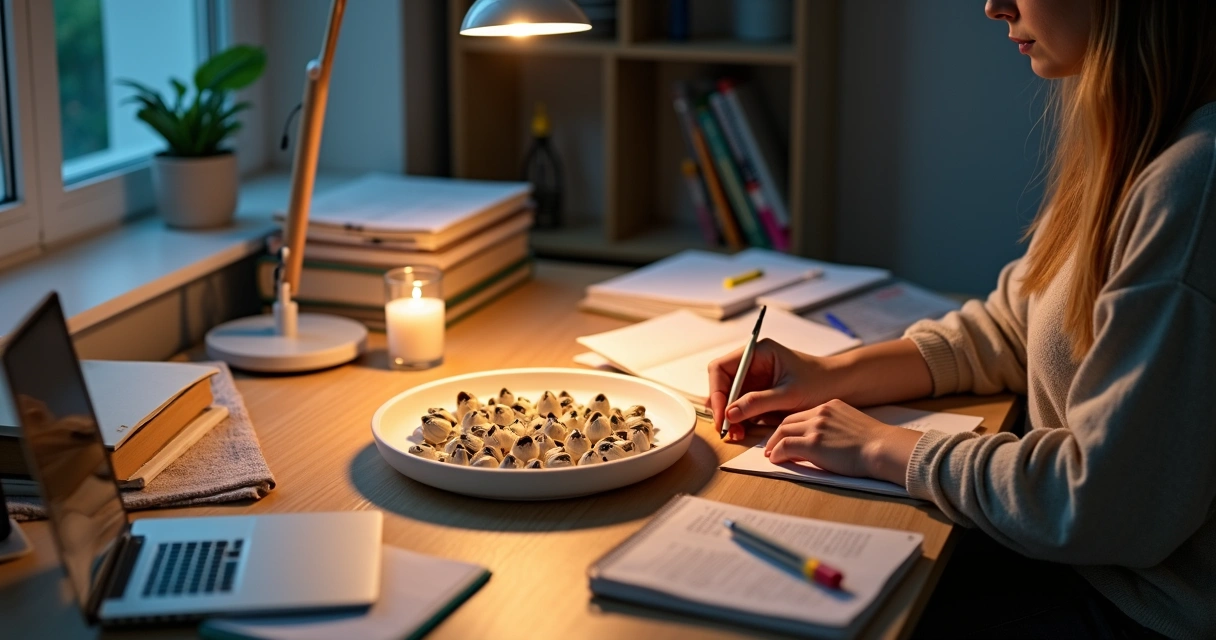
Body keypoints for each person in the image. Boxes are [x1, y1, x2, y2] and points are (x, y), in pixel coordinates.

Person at [707, 1, 1216, 637]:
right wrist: (829, 374)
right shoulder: (1130, 142)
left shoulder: (1191, 188)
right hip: (1073, 561)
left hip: (1136, 608)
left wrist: (882, 446)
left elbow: (1104, 504)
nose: (993, 4)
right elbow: (1012, 328)